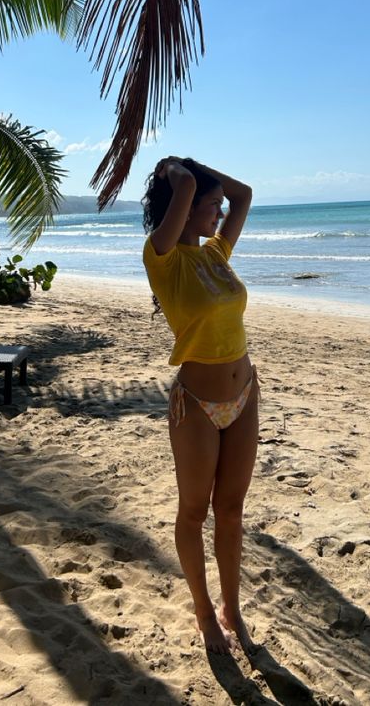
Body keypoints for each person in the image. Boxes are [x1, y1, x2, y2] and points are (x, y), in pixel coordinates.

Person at [142, 157, 257, 655]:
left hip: (245, 392)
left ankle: (231, 607)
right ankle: (205, 613)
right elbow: (186, 185)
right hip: (196, 404)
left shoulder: (216, 254)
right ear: (185, 209)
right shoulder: (162, 256)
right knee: (194, 512)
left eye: (216, 204)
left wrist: (202, 169)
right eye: (211, 205)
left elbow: (245, 194)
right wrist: (178, 169)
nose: (219, 210)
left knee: (230, 510)